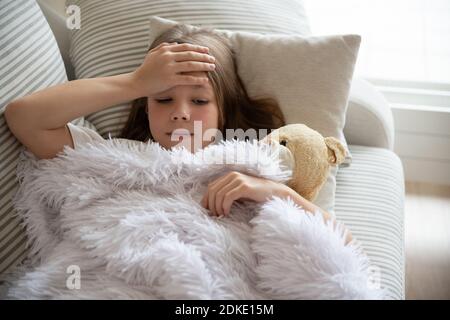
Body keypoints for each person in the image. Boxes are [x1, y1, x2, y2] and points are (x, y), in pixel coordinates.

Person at [5, 24, 352, 244]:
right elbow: (25, 118)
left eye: (199, 100)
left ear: (224, 109)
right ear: (145, 106)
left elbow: (344, 245)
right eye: (164, 97)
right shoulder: (118, 156)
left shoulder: (254, 164)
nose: (181, 111)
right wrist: (135, 82)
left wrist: (271, 190)